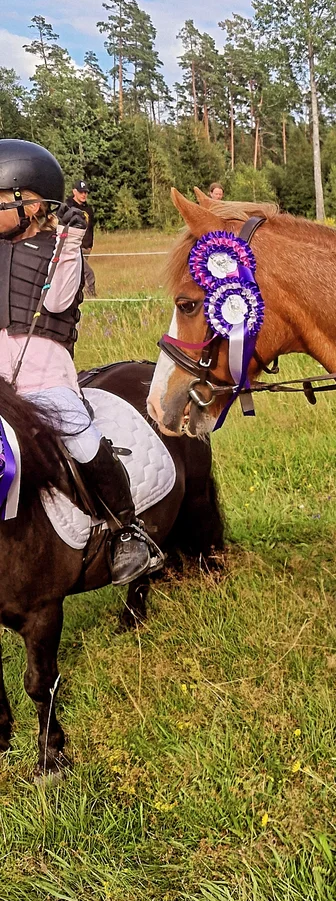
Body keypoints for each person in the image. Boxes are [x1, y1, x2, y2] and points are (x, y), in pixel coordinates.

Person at [0, 139, 162, 585]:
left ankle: (127, 529)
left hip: (44, 377)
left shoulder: (60, 244)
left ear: (30, 203)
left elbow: (56, 302)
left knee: (80, 437)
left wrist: (70, 243)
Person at [65, 179, 96, 297]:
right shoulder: (68, 207)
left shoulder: (88, 209)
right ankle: (92, 297)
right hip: (74, 247)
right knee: (89, 274)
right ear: (74, 192)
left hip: (86, 248)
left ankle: (75, 297)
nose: (84, 194)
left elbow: (90, 228)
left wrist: (89, 245)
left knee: (78, 275)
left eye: (85, 192)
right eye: (81, 192)